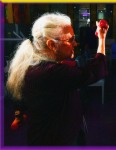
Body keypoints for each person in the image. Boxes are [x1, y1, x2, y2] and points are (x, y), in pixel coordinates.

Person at [6, 12, 109, 146]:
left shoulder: (34, 65)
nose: (75, 43)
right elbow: (96, 70)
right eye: (71, 39)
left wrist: (20, 113)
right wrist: (102, 38)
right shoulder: (51, 72)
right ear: (51, 45)